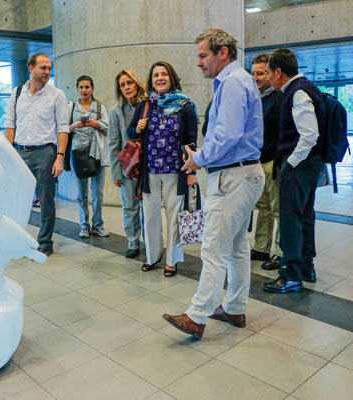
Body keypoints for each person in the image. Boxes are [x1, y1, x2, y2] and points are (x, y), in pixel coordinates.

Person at [162, 28, 264, 339]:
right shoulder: (237, 80)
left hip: (234, 175)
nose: (199, 63)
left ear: (223, 53)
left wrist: (199, 158)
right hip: (244, 173)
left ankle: (197, 315)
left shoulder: (233, 82)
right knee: (236, 248)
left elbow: (228, 135)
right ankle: (234, 307)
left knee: (214, 248)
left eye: (203, 55)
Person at [263, 48, 326, 293]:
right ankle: (306, 267)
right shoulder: (305, 88)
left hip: (300, 165)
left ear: (279, 72)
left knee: (290, 218)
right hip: (309, 165)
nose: (268, 78)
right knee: (305, 215)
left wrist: (291, 162)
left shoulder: (298, 92)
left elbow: (309, 135)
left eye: (268, 73)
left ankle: (291, 275)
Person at [127, 61, 198, 277]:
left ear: (172, 78)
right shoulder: (145, 105)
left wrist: (192, 173)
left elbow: (191, 141)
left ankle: (172, 261)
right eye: (156, 74)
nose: (160, 78)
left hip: (175, 172)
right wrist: (137, 128)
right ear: (151, 80)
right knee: (150, 218)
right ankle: (153, 256)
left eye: (164, 74)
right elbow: (130, 132)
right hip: (150, 173)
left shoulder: (185, 106)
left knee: (174, 218)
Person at [5, 53, 69, 257]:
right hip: (20, 152)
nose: (47, 72)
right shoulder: (16, 94)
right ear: (30, 68)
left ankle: (45, 242)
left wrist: (60, 156)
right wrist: (9, 152)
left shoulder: (56, 95)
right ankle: (15, 240)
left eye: (49, 68)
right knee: (16, 200)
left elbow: (63, 128)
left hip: (45, 152)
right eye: (43, 68)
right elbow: (10, 124)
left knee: (46, 200)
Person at [250, 54, 284, 271]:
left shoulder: (280, 98)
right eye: (253, 73)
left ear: (270, 74)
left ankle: (281, 253)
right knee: (262, 207)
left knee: (278, 208)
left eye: (260, 73)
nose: (256, 78)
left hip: (274, 161)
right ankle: (262, 247)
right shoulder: (254, 99)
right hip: (256, 161)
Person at [107, 69, 147, 258]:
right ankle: (132, 242)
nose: (126, 87)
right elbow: (113, 143)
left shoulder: (148, 105)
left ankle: (151, 242)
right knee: (130, 207)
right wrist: (116, 173)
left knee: (149, 208)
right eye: (122, 85)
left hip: (149, 167)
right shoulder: (116, 111)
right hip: (128, 168)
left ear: (137, 83)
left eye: (129, 83)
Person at [68, 75, 110, 238]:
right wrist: (73, 125)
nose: (84, 90)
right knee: (81, 193)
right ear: (77, 89)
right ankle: (84, 225)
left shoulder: (100, 108)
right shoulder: (71, 108)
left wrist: (96, 123)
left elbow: (108, 129)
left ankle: (98, 225)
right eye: (81, 87)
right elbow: (63, 129)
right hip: (78, 153)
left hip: (97, 153)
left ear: (92, 88)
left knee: (98, 193)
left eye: (87, 87)